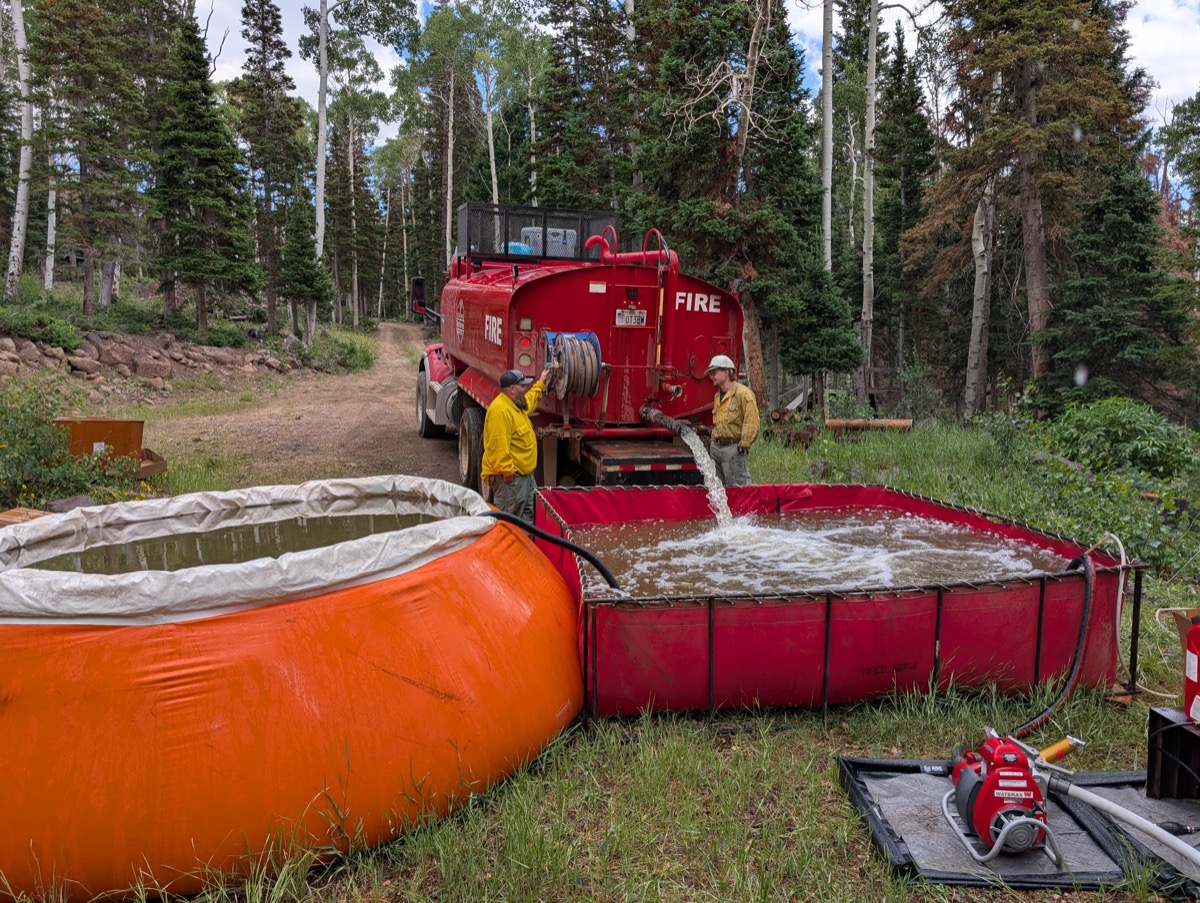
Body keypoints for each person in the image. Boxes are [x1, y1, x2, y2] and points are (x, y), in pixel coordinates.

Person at [481, 366, 552, 522]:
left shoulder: (516, 406)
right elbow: (498, 449)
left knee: (527, 522)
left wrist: (541, 383)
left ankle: (523, 545)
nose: (525, 389)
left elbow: (529, 400)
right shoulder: (500, 411)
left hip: (524, 479)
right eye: (522, 386)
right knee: (509, 524)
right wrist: (507, 475)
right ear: (512, 389)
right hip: (511, 482)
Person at [706, 354, 759, 486]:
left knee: (739, 491)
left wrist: (743, 445)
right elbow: (717, 422)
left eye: (714, 372)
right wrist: (713, 442)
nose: (711, 376)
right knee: (718, 492)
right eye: (710, 373)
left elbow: (752, 421)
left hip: (734, 449)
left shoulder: (744, 394)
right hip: (717, 450)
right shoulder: (717, 396)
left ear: (727, 372)